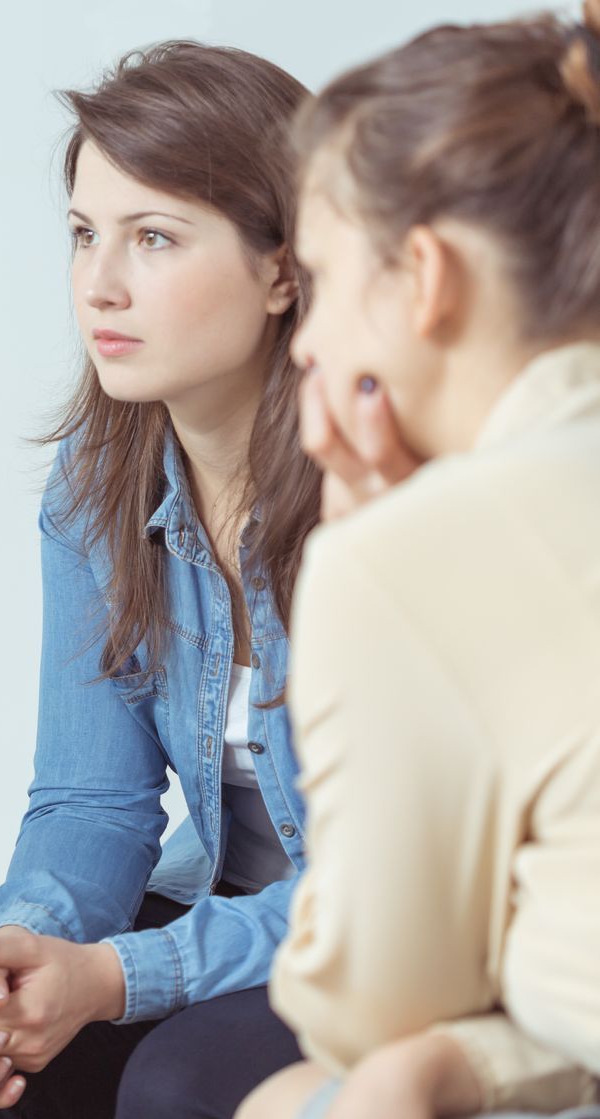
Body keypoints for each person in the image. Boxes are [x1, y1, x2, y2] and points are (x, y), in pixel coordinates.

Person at [0, 42, 321, 1119]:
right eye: (84, 234)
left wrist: (118, 977)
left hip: (398, 934)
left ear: (284, 269)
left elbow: (391, 890)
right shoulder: (95, 485)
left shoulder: (385, 499)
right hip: (225, 904)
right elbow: (92, 800)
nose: (98, 284)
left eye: (153, 237)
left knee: (182, 1085)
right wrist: (20, 954)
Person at [233, 3, 600, 1118]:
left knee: (292, 1098)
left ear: (426, 278)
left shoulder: (405, 557)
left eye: (322, 278)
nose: (303, 341)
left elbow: (368, 1011)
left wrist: (362, 549)